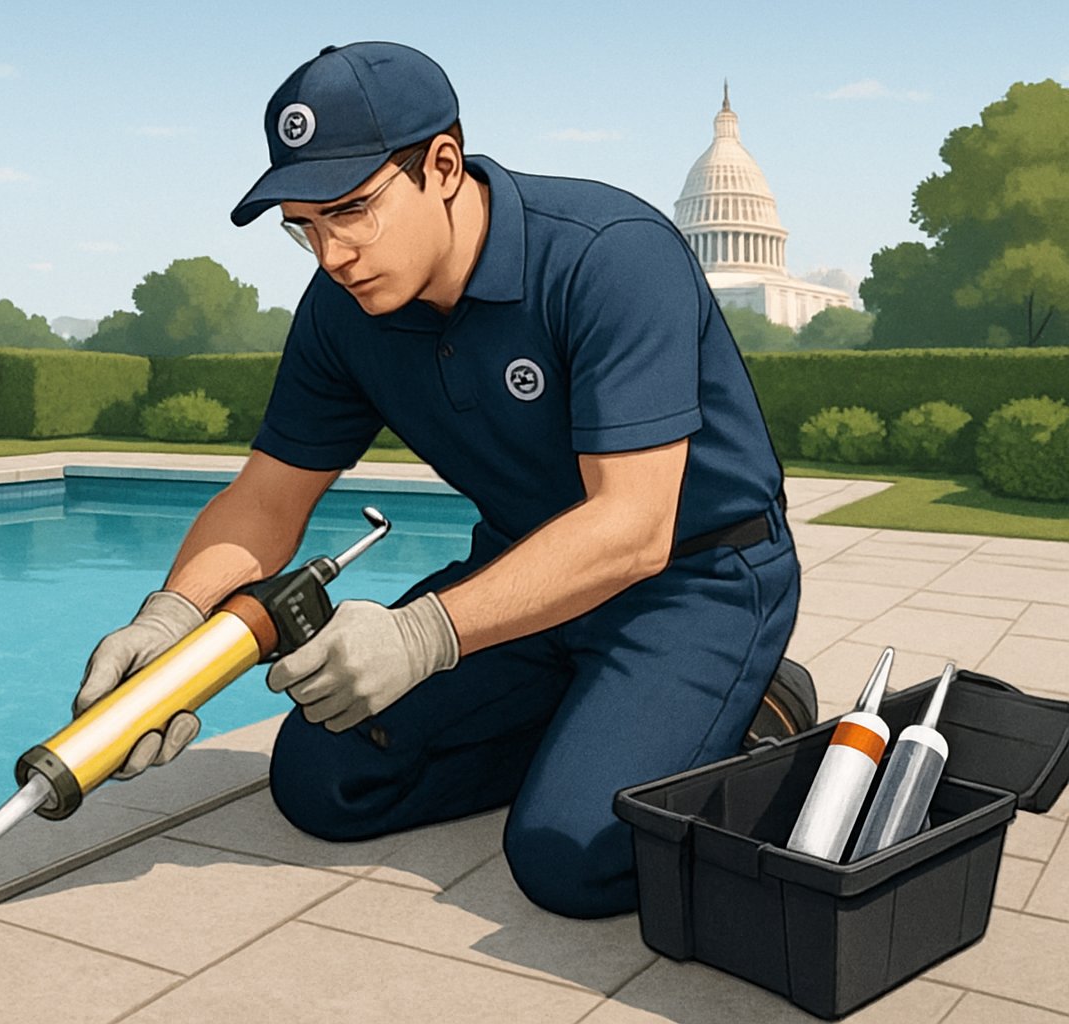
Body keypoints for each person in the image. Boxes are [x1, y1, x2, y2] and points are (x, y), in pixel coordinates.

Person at [74, 41, 803, 918]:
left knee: (571, 860)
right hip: (518, 576)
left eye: (350, 211)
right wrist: (173, 627)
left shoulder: (611, 255)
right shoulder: (341, 310)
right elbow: (269, 497)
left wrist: (424, 636)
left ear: (443, 166)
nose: (330, 253)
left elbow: (632, 527)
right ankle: (596, 724)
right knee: (325, 781)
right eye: (303, 226)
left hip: (695, 579)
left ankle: (756, 702)